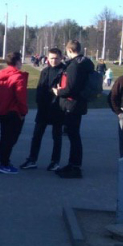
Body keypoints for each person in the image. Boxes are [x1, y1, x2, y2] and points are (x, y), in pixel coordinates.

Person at [52, 39, 95, 179]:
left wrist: (59, 92)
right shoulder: (84, 63)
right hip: (77, 103)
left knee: (73, 135)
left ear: (69, 50)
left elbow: (71, 88)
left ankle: (75, 166)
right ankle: (73, 164)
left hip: (72, 104)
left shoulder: (75, 66)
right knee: (73, 135)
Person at [19, 47, 65, 171]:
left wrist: (58, 92)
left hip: (58, 108)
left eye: (56, 58)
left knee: (57, 136)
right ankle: (32, 159)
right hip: (44, 108)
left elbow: (65, 89)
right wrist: (40, 101)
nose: (54, 61)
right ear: (47, 58)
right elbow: (40, 88)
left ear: (61, 58)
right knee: (37, 134)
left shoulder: (64, 72)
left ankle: (55, 161)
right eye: (51, 58)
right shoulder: (45, 71)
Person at [0, 50, 28, 174]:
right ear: (18, 61)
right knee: (11, 139)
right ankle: (4, 163)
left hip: (2, 110)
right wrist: (23, 112)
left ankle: (3, 160)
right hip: (14, 112)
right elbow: (21, 97)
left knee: (4, 136)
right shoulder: (18, 77)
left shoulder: (0, 74)